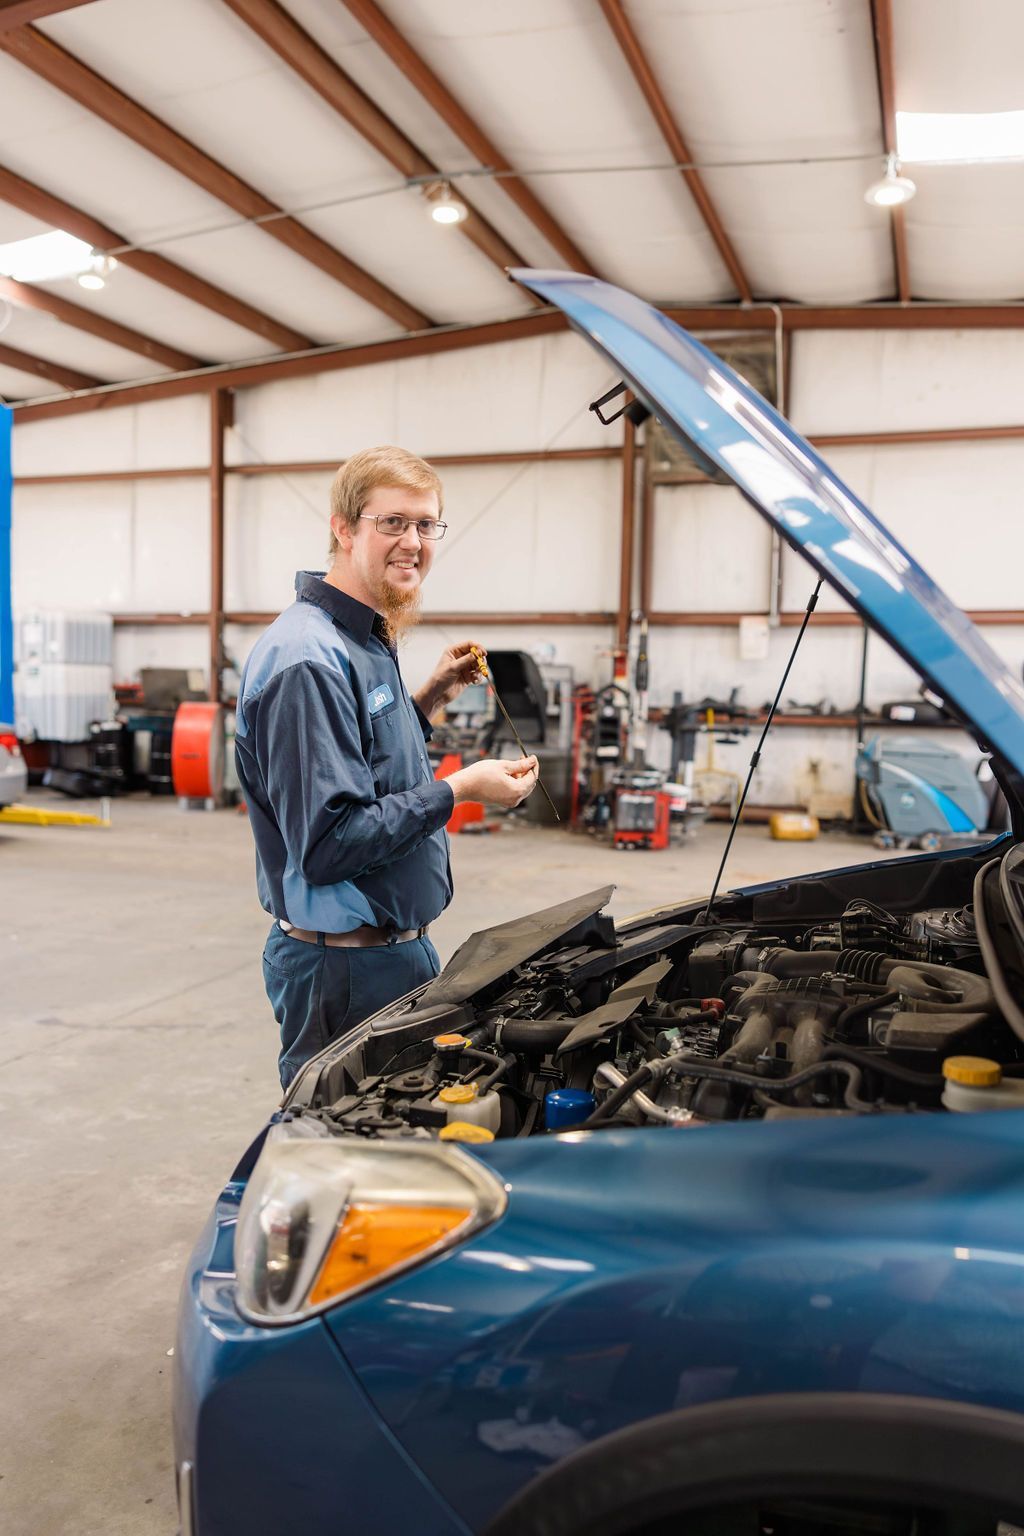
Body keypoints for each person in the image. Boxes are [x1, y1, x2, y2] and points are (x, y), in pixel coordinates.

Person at [235, 445, 539, 1088]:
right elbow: (328, 843)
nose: (414, 542)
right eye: (393, 523)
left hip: (393, 953)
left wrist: (426, 699)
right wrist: (460, 788)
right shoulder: (307, 659)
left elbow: (361, 760)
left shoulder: (365, 637)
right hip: (343, 971)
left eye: (427, 525)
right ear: (343, 530)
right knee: (342, 1155)